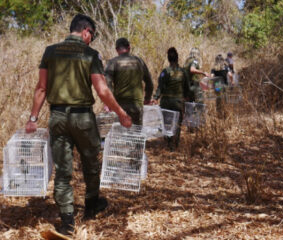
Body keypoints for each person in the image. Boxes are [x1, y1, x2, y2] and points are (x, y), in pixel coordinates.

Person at [25, 14, 132, 236]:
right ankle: (92, 204)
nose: (91, 39)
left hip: (58, 118)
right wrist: (121, 113)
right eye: (91, 35)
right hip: (83, 117)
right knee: (91, 162)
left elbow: (41, 88)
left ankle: (67, 221)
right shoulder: (90, 54)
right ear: (85, 31)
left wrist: (33, 118)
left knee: (63, 172)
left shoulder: (50, 52)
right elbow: (102, 91)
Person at [105, 37, 153, 125]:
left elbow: (107, 83)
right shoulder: (139, 61)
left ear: (116, 49)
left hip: (119, 106)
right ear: (129, 48)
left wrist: (109, 102)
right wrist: (147, 99)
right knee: (136, 134)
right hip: (137, 105)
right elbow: (149, 82)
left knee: (120, 134)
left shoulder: (112, 62)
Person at [153, 47, 190, 150]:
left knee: (167, 122)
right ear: (177, 58)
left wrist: (156, 98)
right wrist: (186, 99)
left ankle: (169, 143)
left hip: (166, 102)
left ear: (168, 59)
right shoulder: (183, 72)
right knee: (177, 123)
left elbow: (160, 87)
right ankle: (175, 144)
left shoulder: (165, 72)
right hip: (178, 102)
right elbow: (187, 88)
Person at [211, 54, 233, 118]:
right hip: (225, 85)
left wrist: (213, 83)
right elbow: (230, 75)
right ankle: (225, 114)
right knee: (225, 99)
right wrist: (232, 81)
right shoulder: (226, 67)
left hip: (217, 86)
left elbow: (211, 77)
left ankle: (219, 114)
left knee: (218, 100)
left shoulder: (214, 68)